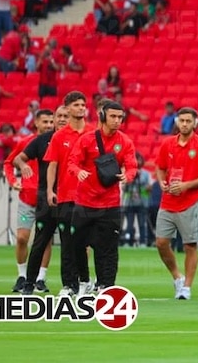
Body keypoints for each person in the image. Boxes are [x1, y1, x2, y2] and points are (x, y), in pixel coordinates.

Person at [68, 101, 138, 293]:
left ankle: (106, 285)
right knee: (77, 244)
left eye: (120, 117)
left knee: (108, 248)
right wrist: (78, 171)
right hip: (85, 202)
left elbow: (132, 166)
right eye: (113, 116)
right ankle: (84, 280)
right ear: (102, 116)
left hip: (110, 203)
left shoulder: (125, 142)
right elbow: (72, 162)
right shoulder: (86, 140)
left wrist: (128, 176)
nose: (116, 121)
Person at [154, 107, 198, 301]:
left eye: (188, 120)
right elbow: (160, 167)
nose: (185, 124)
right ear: (177, 122)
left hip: (190, 201)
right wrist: (162, 181)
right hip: (168, 200)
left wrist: (187, 185)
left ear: (195, 122)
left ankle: (186, 287)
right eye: (182, 120)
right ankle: (177, 277)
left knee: (190, 246)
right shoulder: (167, 144)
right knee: (161, 242)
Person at [40, 92, 94, 296]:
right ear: (68, 108)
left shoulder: (93, 133)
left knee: (86, 242)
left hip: (89, 196)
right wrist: (50, 189)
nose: (81, 108)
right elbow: (53, 164)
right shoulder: (59, 136)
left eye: (83, 104)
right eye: (77, 105)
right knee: (67, 242)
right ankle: (69, 285)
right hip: (66, 196)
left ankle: (86, 280)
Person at [3, 108, 56, 292]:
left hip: (46, 200)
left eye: (51, 122)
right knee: (22, 238)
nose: (49, 125)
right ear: (36, 123)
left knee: (45, 239)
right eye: (45, 122)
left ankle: (41, 278)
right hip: (27, 198)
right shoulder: (26, 143)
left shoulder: (56, 143)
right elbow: (9, 162)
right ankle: (21, 275)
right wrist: (13, 181)